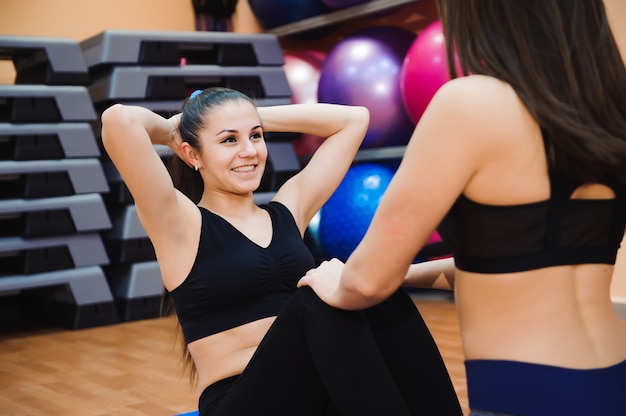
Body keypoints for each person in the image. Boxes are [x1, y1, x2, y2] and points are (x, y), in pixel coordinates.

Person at [298, 1, 626, 415]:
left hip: (529, 391)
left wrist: (339, 282)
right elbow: (517, 264)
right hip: (614, 377)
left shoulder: (470, 103)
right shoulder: (608, 110)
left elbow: (366, 283)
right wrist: (401, 275)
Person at [100, 87, 463, 415]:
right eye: (228, 141)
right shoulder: (179, 223)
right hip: (241, 402)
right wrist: (181, 129)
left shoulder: (289, 209)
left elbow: (354, 120)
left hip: (313, 388)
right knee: (314, 300)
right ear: (192, 154)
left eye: (255, 136)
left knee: (379, 293)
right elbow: (119, 121)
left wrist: (247, 116)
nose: (249, 151)